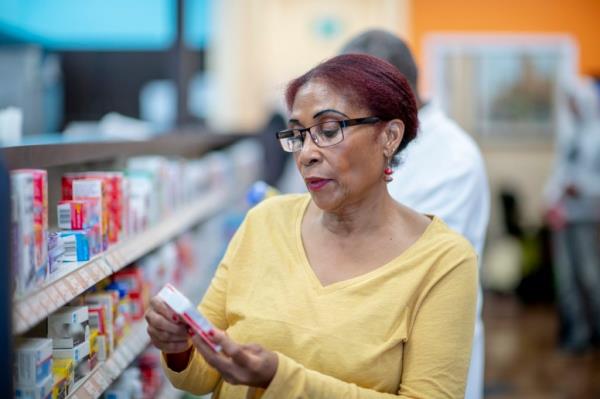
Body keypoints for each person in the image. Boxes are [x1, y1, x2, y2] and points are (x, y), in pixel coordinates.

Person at [146, 54, 478, 398]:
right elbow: (203, 376)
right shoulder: (265, 222)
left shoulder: (443, 261)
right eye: (297, 135)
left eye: (329, 130)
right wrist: (179, 345)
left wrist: (280, 378)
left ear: (390, 136)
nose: (306, 153)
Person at [340, 30, 490, 399]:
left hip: (423, 343)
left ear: (396, 90)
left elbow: (412, 260)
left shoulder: (453, 158)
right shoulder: (373, 139)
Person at [544, 77, 600, 353]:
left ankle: (594, 332)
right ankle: (575, 333)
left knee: (589, 277)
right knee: (566, 279)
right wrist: (551, 199)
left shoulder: (597, 137)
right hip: (564, 216)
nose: (571, 108)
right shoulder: (570, 136)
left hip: (588, 217)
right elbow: (559, 175)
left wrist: (584, 188)